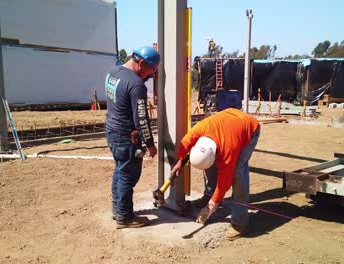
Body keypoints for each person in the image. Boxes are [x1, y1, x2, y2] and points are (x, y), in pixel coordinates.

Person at [170, 108, 260, 240]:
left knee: (238, 174)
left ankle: (240, 222)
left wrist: (211, 206)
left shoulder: (229, 149)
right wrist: (179, 160)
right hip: (230, 117)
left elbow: (224, 183)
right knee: (210, 167)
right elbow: (185, 142)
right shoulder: (200, 129)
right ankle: (208, 195)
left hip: (249, 126)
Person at [105, 46, 160, 229]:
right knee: (128, 175)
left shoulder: (113, 72)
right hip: (126, 136)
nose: (149, 77)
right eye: (150, 73)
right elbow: (141, 119)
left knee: (119, 171)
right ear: (142, 63)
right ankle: (125, 218)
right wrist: (150, 144)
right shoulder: (136, 85)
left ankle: (117, 210)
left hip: (112, 131)